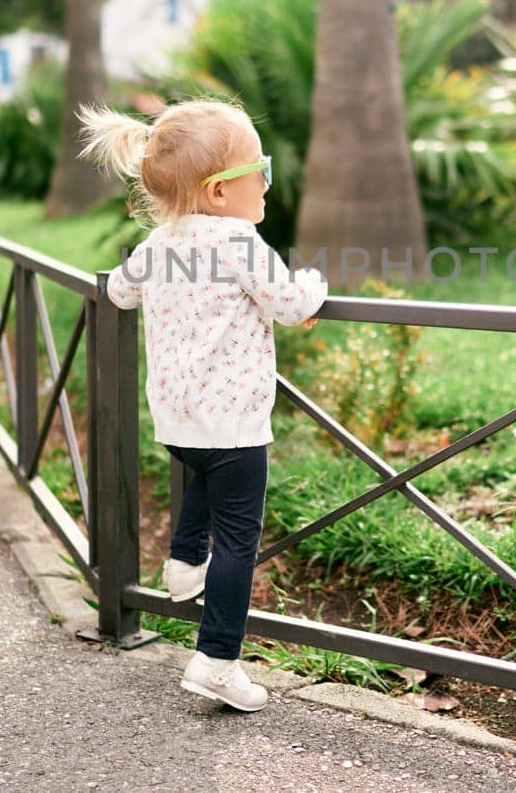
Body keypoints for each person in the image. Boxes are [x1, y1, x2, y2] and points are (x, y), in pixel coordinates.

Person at [79, 98, 327, 711]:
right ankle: (217, 660)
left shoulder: (161, 243)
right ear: (220, 192)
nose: (267, 180)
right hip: (237, 424)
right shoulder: (241, 242)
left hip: (177, 419)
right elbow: (292, 306)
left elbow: (118, 292)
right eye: (259, 168)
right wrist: (315, 286)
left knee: (202, 480)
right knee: (239, 542)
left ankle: (184, 564)